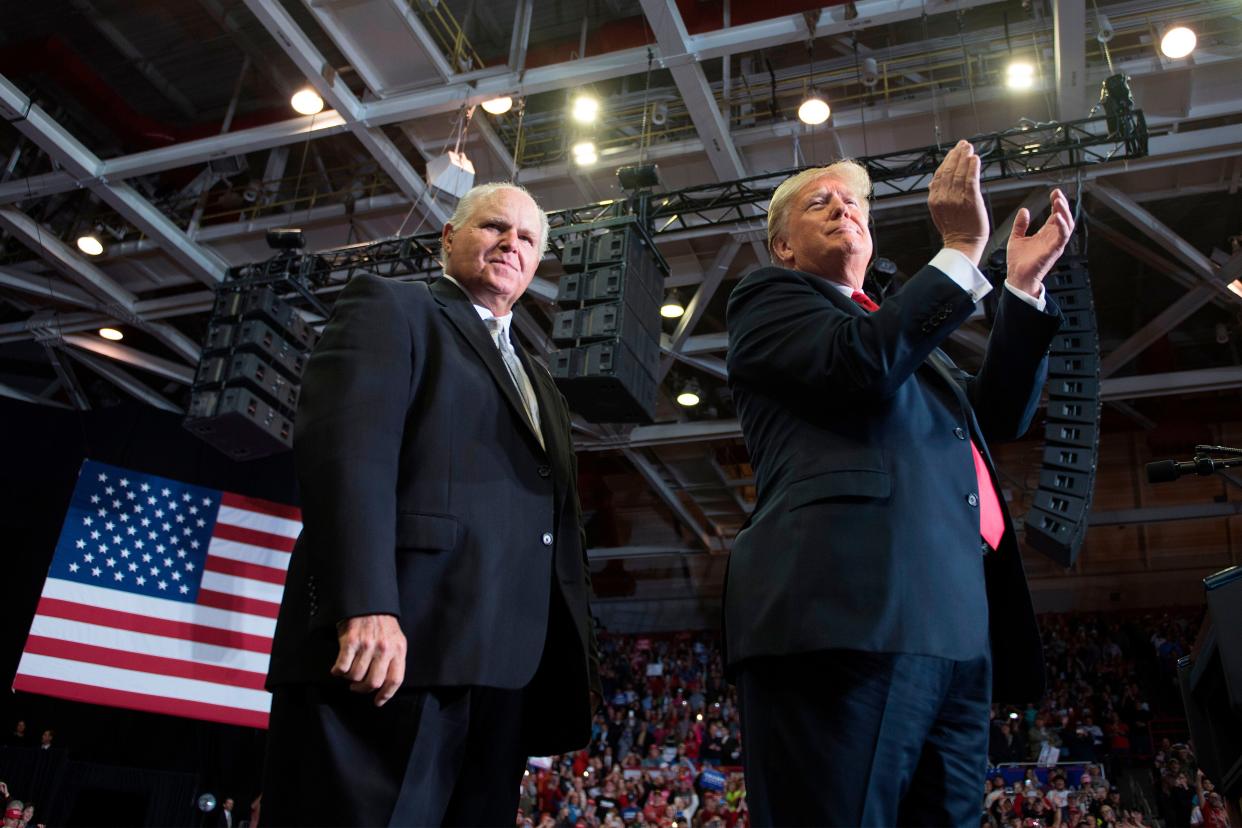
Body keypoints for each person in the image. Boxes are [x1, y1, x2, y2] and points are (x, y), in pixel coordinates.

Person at [724, 140, 1074, 826]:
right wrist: (964, 247)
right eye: (818, 202)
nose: (842, 207)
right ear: (783, 247)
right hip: (845, 620)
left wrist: (1022, 293)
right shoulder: (769, 299)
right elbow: (859, 365)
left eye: (853, 200)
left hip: (954, 629)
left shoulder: (902, 342)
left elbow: (997, 413)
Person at [262, 182, 601, 826]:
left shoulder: (542, 386)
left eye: (527, 238)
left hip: (502, 681)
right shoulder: (392, 308)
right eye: (494, 227)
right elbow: (346, 458)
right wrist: (364, 601)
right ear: (449, 238)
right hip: (390, 654)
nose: (511, 243)